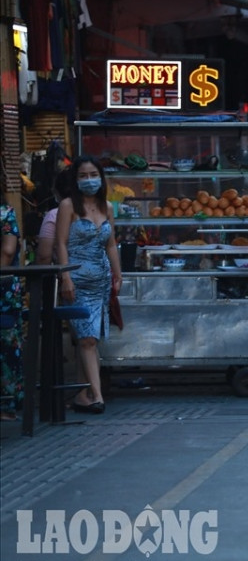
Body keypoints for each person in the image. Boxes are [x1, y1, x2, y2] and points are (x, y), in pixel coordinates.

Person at [55, 156, 122, 414]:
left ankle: (83, 393)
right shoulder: (68, 206)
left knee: (90, 338)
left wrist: (117, 274)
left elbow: (111, 244)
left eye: (93, 174)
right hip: (77, 280)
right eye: (83, 175)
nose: (89, 180)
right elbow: (61, 243)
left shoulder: (107, 207)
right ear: (75, 179)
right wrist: (66, 277)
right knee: (87, 340)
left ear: (101, 177)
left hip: (101, 282)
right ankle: (97, 395)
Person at [1, 189, 24, 421]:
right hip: (5, 288)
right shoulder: (6, 213)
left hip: (3, 291)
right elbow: (8, 252)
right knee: (8, 345)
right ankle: (8, 404)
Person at [36, 167, 72, 264]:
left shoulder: (54, 215)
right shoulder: (93, 211)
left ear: (57, 191)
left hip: (68, 274)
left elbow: (44, 256)